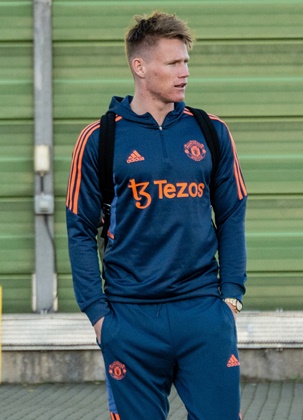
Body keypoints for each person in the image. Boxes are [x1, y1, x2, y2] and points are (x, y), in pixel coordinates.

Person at [66, 11, 247, 419]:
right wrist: (98, 316)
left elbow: (232, 214)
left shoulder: (210, 130)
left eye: (186, 62)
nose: (184, 72)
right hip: (130, 319)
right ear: (140, 66)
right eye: (173, 63)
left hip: (203, 312)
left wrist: (231, 297)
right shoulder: (100, 138)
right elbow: (79, 230)